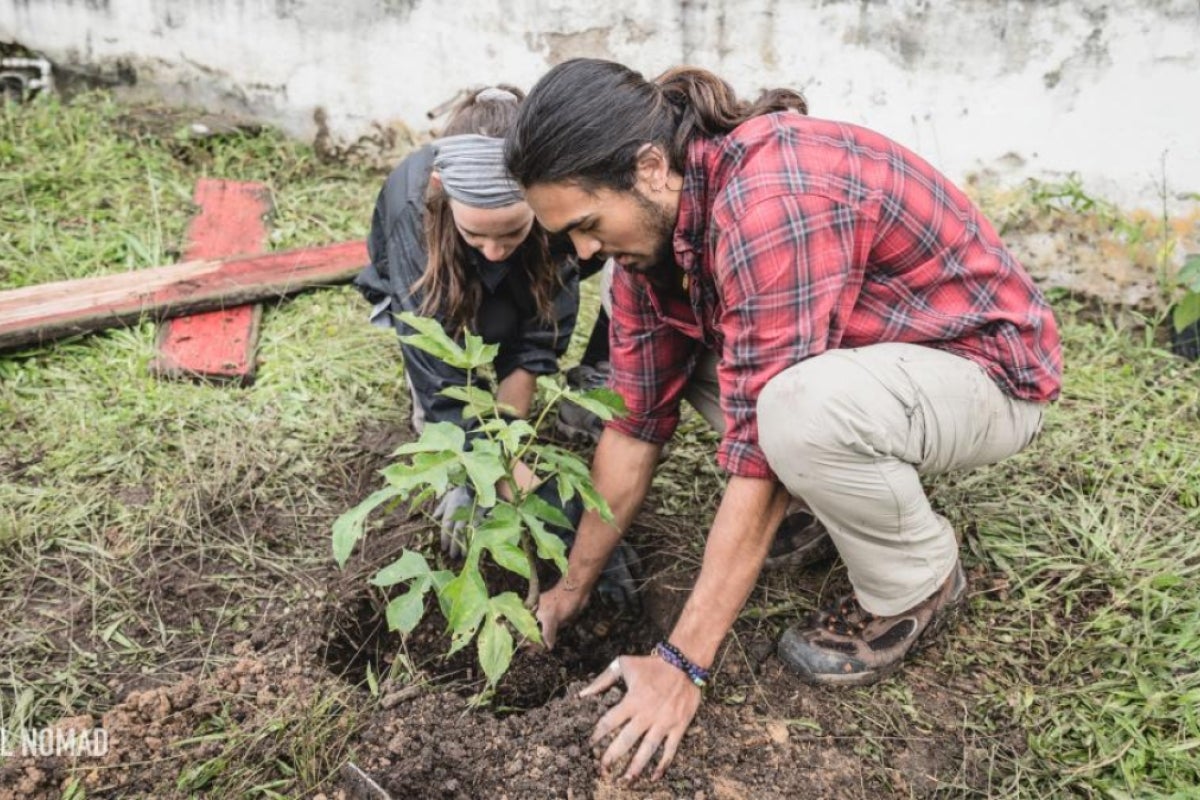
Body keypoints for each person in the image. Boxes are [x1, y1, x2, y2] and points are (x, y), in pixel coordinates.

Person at [504, 59, 1062, 782]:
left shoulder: (767, 200)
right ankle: (832, 494)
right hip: (871, 363)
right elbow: (634, 424)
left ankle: (916, 578)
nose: (581, 252)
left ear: (648, 167)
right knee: (762, 391)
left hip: (987, 375)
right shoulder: (647, 249)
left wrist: (679, 664)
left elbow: (760, 451)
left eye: (585, 224)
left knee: (795, 411)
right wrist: (572, 590)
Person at [353, 86, 632, 600]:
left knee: (510, 364)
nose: (495, 251)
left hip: (514, 297)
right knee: (446, 422)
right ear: (442, 192)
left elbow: (537, 339)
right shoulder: (413, 209)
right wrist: (474, 472)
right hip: (432, 291)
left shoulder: (553, 205)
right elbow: (437, 372)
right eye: (478, 236)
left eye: (510, 233)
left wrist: (515, 463)